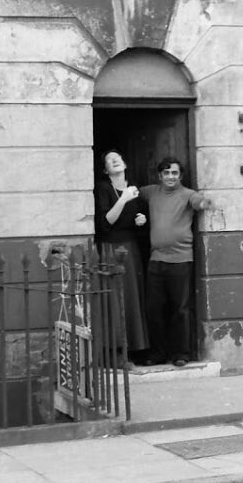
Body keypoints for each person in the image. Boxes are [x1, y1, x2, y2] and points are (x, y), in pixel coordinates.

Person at [140, 157, 211, 367]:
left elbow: (199, 201)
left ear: (180, 176)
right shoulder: (151, 192)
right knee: (154, 310)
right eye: (166, 173)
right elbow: (131, 192)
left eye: (174, 173)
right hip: (156, 260)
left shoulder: (187, 194)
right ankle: (159, 353)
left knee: (180, 310)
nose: (170, 177)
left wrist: (205, 202)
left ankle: (181, 353)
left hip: (181, 260)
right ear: (160, 176)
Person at [94, 150, 150, 361]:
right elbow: (106, 222)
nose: (115, 160)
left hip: (130, 248)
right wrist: (123, 198)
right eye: (109, 159)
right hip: (110, 249)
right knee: (113, 299)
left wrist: (141, 220)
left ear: (125, 163)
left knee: (132, 299)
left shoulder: (134, 188)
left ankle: (135, 349)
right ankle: (114, 352)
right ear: (105, 169)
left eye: (118, 157)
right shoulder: (103, 188)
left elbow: (139, 223)